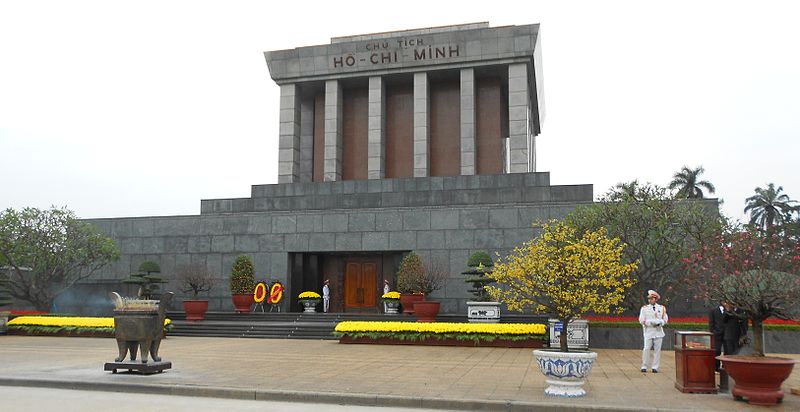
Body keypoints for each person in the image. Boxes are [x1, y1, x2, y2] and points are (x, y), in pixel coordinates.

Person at [639, 289, 668, 373]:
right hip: (649, 331)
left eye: (652, 298)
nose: (650, 300)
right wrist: (650, 323)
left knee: (657, 351)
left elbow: (665, 319)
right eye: (649, 299)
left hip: (658, 332)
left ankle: (655, 367)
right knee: (646, 349)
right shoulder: (644, 308)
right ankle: (644, 366)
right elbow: (641, 320)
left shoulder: (661, 308)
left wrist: (660, 323)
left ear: (655, 299)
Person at [708, 300, 727, 372]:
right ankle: (716, 367)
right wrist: (713, 331)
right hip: (717, 334)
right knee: (717, 351)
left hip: (727, 334)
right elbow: (711, 322)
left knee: (727, 351)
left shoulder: (729, 310)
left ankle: (725, 366)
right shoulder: (713, 310)